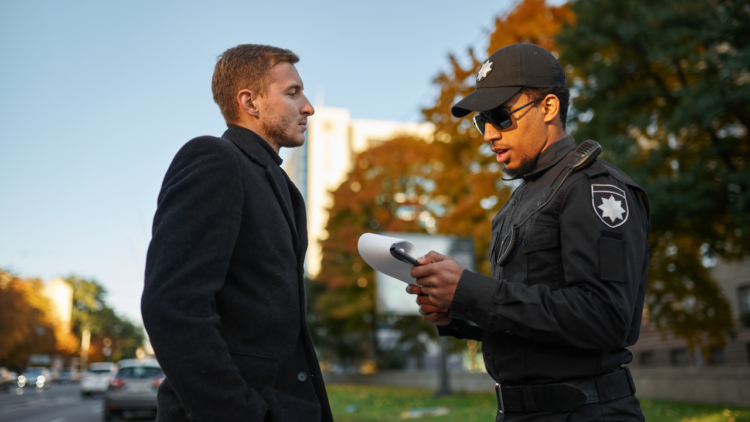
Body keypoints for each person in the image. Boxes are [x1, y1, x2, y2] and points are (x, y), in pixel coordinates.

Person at [406, 43, 650, 421]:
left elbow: (605, 319)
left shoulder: (591, 187)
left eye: (501, 117)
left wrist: (472, 290)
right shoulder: (515, 204)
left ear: (549, 107)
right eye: (480, 120)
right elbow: (534, 321)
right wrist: (457, 309)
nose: (488, 134)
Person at [142, 44, 333, 422]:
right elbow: (173, 307)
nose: (308, 106)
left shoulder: (281, 185)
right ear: (250, 102)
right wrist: (244, 413)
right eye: (293, 92)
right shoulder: (215, 159)